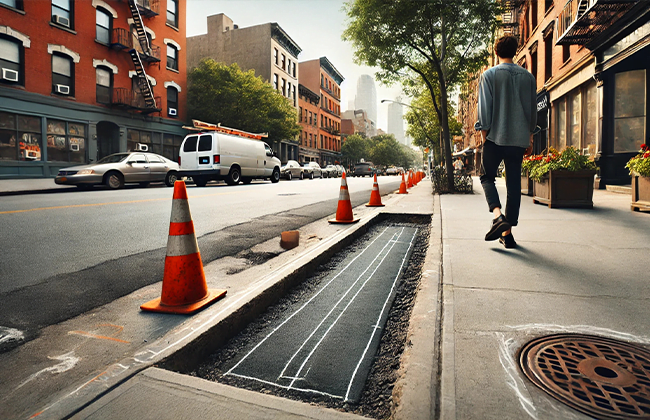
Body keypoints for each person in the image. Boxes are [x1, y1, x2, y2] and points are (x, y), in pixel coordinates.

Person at [475, 35, 537, 249]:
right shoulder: (528, 77)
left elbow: (484, 109)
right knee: (513, 185)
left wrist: (484, 136)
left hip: (494, 136)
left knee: (486, 177)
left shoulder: (489, 75)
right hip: (518, 139)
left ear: (496, 52)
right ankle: (507, 235)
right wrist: (529, 136)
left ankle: (498, 215)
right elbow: (532, 110)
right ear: (516, 51)